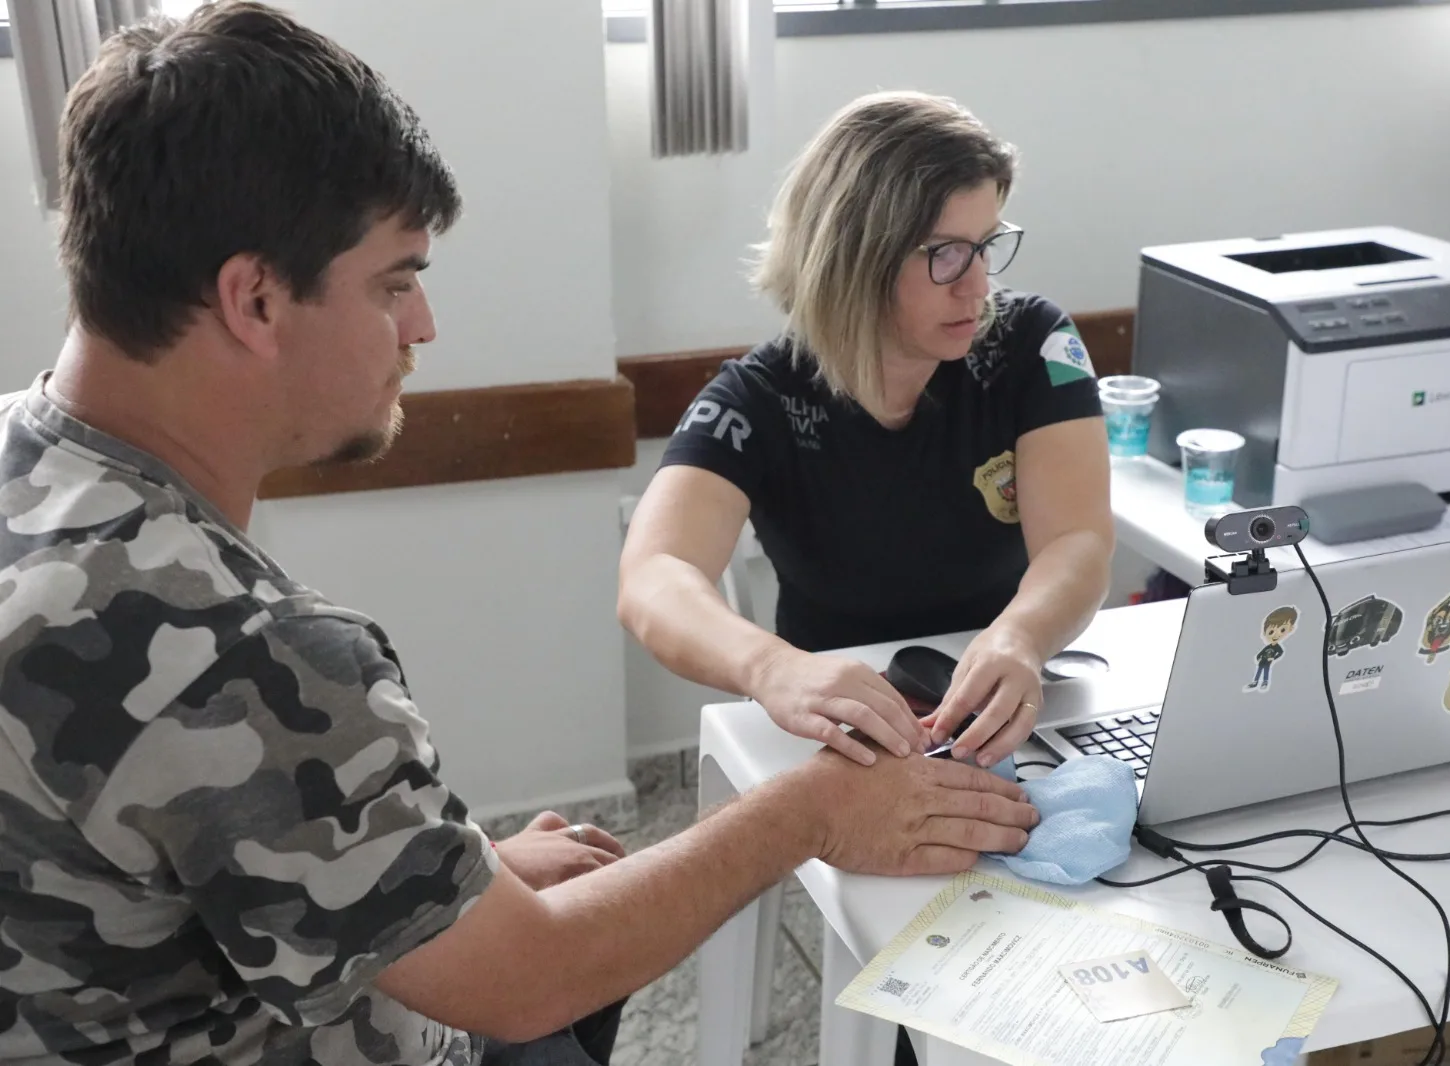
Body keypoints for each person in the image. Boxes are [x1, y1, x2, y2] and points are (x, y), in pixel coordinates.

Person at [0, 7, 1040, 1065]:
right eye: (395, 281)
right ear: (255, 297)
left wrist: (435, 873)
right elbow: (526, 975)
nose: (422, 329)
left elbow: (146, 848)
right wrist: (805, 811)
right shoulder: (242, 654)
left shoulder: (24, 464)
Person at [620, 92, 1115, 771]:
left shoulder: (1032, 342)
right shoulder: (759, 397)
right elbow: (653, 576)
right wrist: (772, 669)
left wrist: (1021, 638)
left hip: (1002, 698)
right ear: (856, 258)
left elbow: (1077, 536)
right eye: (945, 254)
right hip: (841, 723)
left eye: (986, 246)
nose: (977, 287)